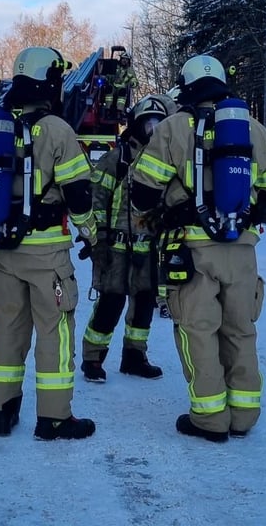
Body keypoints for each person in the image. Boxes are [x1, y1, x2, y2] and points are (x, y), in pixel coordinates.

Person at [130, 54, 266, 442]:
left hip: (191, 249)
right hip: (242, 248)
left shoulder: (173, 128)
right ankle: (244, 415)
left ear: (187, 85)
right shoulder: (252, 128)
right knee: (240, 329)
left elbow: (143, 194)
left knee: (198, 330)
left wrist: (171, 203)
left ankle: (210, 418)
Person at [0, 46, 99, 440]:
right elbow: (79, 198)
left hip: (1, 252)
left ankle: (3, 411)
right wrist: (91, 234)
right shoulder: (58, 130)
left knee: (8, 329)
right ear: (50, 82)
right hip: (47, 255)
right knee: (54, 333)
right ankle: (54, 418)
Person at [80, 94, 176, 383]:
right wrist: (95, 240)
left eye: (158, 123)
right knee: (111, 303)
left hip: (150, 248)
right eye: (148, 122)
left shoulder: (165, 160)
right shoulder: (116, 160)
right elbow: (96, 200)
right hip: (115, 248)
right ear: (135, 124)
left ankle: (135, 357)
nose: (153, 129)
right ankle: (92, 359)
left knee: (145, 303)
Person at [106, 52, 138, 120]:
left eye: (126, 59)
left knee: (123, 92)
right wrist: (108, 78)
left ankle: (119, 111)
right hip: (113, 86)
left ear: (128, 61)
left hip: (122, 87)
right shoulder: (114, 66)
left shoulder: (130, 70)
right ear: (120, 59)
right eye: (123, 59)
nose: (124, 61)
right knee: (109, 89)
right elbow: (107, 75)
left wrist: (132, 83)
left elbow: (135, 81)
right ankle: (108, 110)